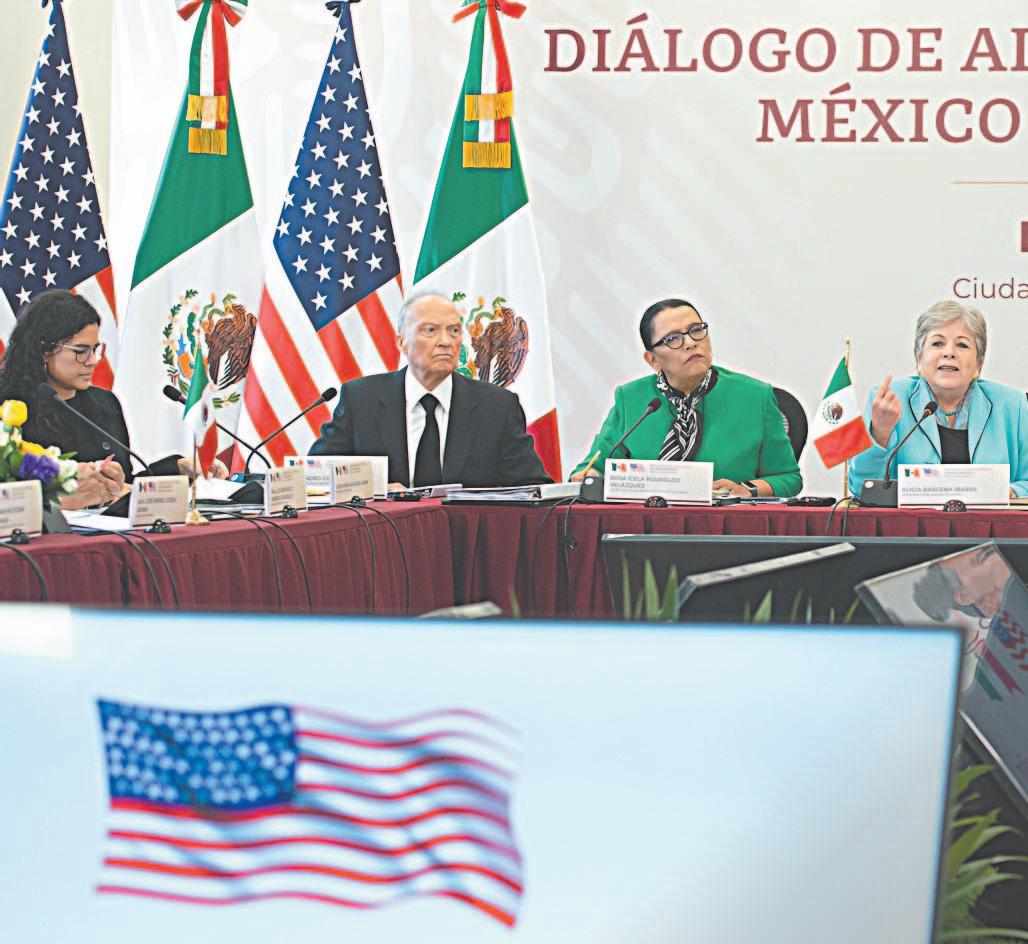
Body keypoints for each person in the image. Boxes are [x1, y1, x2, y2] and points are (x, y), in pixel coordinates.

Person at [0, 290, 227, 510]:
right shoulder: (8, 405)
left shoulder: (105, 403)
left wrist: (177, 468)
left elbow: (123, 486)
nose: (92, 360)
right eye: (81, 351)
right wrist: (69, 489)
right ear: (45, 350)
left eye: (95, 349)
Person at [310, 293, 551, 488]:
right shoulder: (361, 400)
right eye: (431, 331)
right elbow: (315, 476)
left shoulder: (497, 407)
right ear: (402, 342)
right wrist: (376, 488)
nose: (445, 341)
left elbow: (533, 487)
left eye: (454, 331)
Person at [570, 298, 802, 497]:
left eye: (696, 330)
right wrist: (588, 476)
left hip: (725, 524)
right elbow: (591, 468)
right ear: (652, 360)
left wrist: (747, 489)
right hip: (647, 525)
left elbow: (788, 478)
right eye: (672, 339)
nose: (691, 343)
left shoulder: (754, 396)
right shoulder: (631, 399)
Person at [848, 300, 1028, 498]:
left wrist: (1012, 493)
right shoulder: (889, 401)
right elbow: (862, 489)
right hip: (911, 519)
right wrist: (880, 432)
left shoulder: (1013, 406)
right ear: (919, 358)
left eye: (962, 344)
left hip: (990, 519)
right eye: (937, 343)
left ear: (979, 363)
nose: (949, 353)